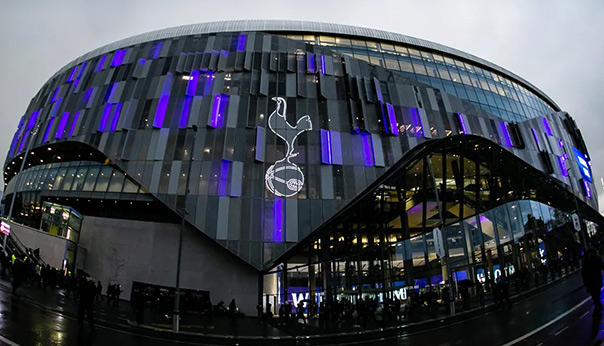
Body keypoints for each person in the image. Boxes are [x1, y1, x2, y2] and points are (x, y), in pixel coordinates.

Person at [582, 248, 604, 316]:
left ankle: (598, 308)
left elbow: (584, 273)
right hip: (594, 281)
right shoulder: (595, 259)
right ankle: (598, 307)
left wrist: (585, 282)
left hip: (592, 281)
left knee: (595, 295)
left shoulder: (587, 261)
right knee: (595, 295)